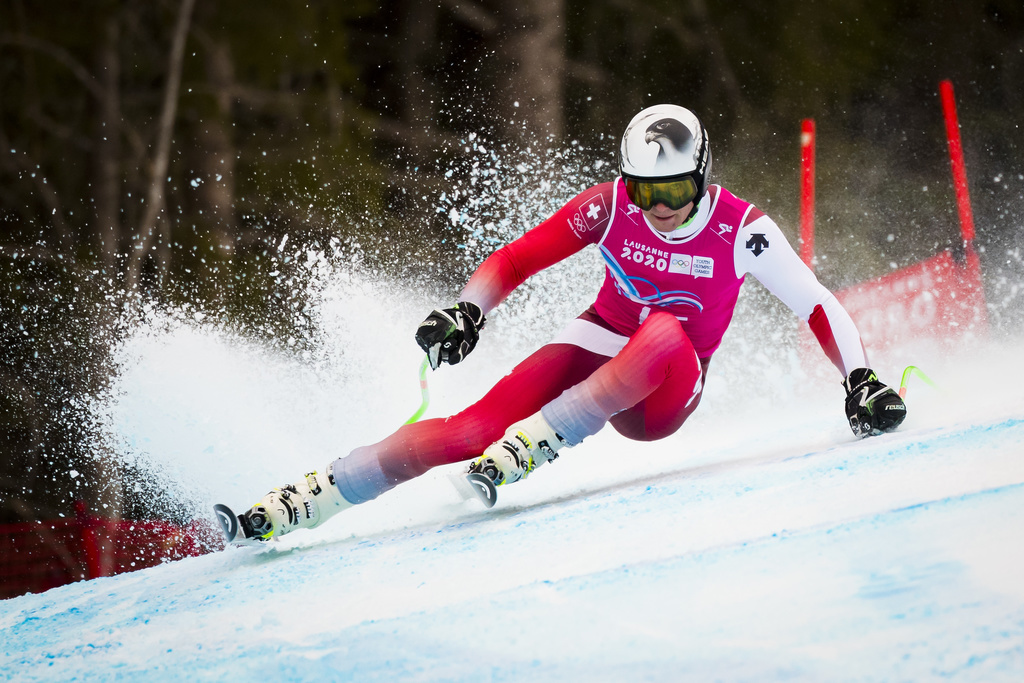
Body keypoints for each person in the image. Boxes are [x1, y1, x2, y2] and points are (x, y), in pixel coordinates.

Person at [235, 104, 907, 542]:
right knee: (471, 428)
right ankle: (318, 491)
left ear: (701, 179)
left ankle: (543, 440)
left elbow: (814, 301)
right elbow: (518, 258)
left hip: (664, 385)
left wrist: (861, 378)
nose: (660, 208)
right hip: (599, 342)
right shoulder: (609, 207)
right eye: (646, 192)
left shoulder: (742, 229)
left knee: (667, 328)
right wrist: (470, 308)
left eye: (674, 192)